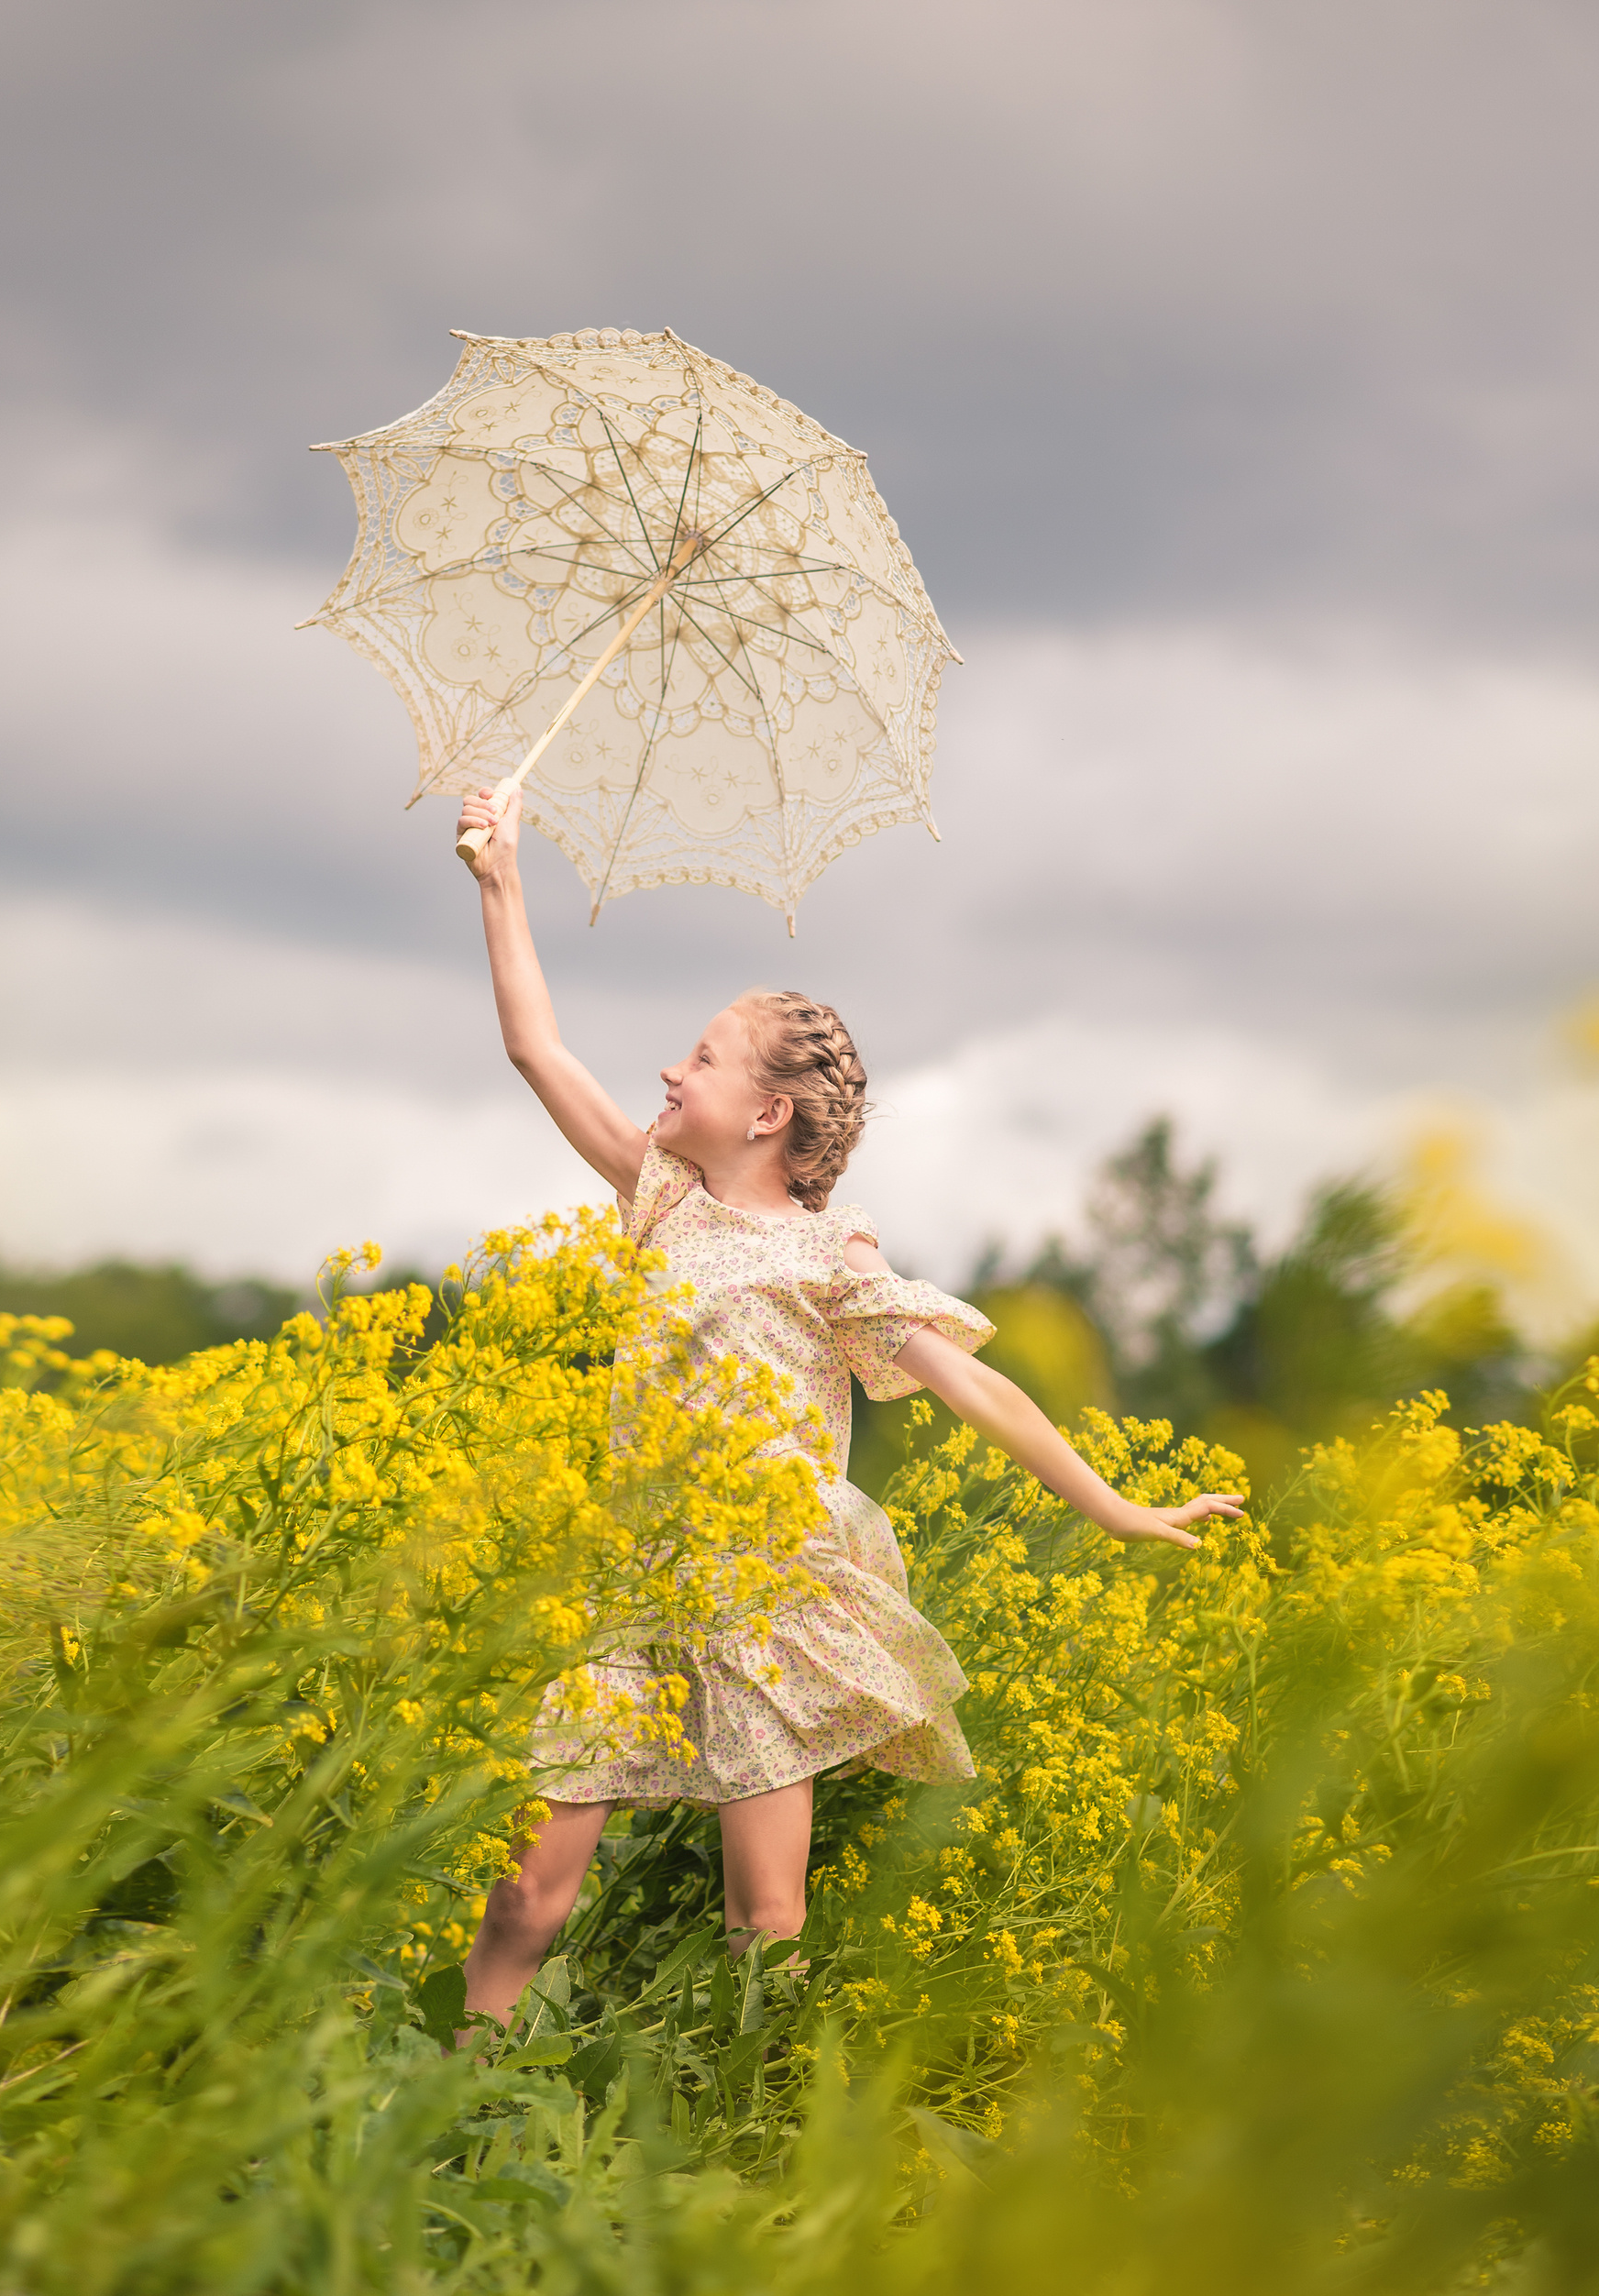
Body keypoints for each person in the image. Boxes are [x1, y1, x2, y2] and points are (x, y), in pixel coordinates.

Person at [450, 784, 1242, 2031]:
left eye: (700, 1058)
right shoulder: (662, 1200)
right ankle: (458, 2087)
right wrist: (502, 880)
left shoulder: (830, 1255)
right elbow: (536, 1050)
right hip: (634, 1584)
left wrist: (1118, 1507)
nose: (669, 1068)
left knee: (765, 1922)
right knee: (525, 1898)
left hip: (766, 1601)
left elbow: (974, 1385)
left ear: (769, 1113)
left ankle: (743, 2119)